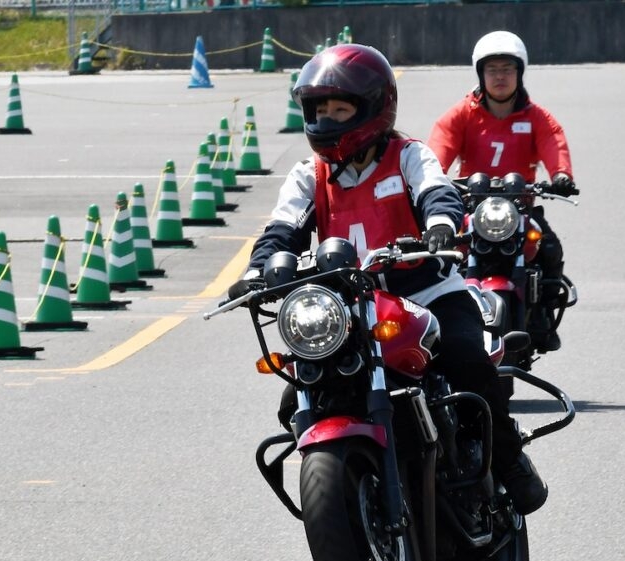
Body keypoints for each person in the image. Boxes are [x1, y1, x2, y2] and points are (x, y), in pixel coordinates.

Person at [228, 44, 547, 515]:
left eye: (342, 108)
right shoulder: (307, 175)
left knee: (467, 361)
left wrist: (440, 222)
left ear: (375, 107)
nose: (329, 118)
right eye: (321, 109)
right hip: (350, 311)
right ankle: (347, 494)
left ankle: (509, 459)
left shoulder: (409, 155)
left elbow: (437, 191)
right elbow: (283, 230)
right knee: (293, 398)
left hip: (429, 294)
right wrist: (259, 270)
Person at [428, 30, 576, 352]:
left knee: (549, 249)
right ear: (480, 74)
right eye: (492, 70)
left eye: (507, 69)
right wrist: (431, 178)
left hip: (520, 208)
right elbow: (440, 143)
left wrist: (561, 174)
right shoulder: (463, 113)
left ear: (519, 73)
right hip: (469, 206)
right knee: (439, 257)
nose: (500, 77)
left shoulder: (535, 116)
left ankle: (543, 318)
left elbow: (553, 141)